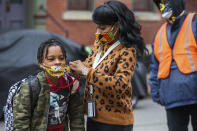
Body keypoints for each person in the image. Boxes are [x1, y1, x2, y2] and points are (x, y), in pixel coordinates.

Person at [69, 1, 148, 131]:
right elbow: (91, 64)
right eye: (97, 27)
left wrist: (86, 71)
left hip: (115, 122)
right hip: (93, 115)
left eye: (102, 28)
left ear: (117, 26)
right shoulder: (101, 42)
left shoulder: (127, 51)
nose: (98, 32)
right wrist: (71, 67)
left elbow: (120, 84)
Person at [12, 38, 84, 131]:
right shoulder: (31, 86)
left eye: (61, 58)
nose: (57, 62)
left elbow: (77, 115)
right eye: (51, 59)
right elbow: (21, 121)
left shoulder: (71, 84)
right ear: (40, 63)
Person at [149, 0, 197, 131]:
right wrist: (155, 91)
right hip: (172, 97)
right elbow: (155, 66)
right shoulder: (160, 33)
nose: (163, 6)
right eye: (161, 2)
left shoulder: (194, 22)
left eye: (167, 1)